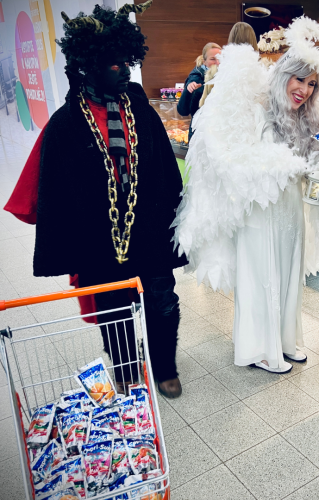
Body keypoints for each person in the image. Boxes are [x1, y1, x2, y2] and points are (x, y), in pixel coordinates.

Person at [4, 1, 188, 399]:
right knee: (113, 309)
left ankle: (164, 367)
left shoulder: (141, 109)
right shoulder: (66, 123)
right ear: (89, 66)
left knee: (163, 301)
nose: (124, 71)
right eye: (114, 64)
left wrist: (177, 217)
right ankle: (126, 371)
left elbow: (163, 168)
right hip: (97, 240)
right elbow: (54, 191)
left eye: (127, 62)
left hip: (149, 229)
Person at [172, 17, 319, 374]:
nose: (304, 90)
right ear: (284, 74)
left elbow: (315, 154)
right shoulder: (257, 104)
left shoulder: (305, 116)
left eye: (312, 84)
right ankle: (258, 349)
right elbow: (233, 155)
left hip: (290, 206)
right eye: (299, 79)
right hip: (259, 207)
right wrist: (284, 165)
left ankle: (285, 340)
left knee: (289, 272)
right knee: (261, 274)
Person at [176, 42, 221, 139]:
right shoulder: (196, 79)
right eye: (212, 59)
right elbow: (182, 111)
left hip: (219, 134)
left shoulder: (225, 77)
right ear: (204, 61)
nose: (217, 62)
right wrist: (188, 90)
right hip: (200, 135)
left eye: (220, 58)